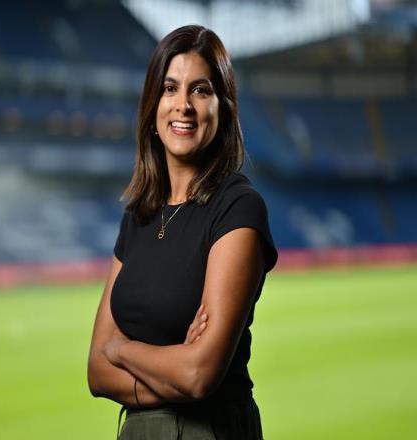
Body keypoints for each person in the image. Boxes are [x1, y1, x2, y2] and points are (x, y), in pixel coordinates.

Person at [87, 24, 278, 439]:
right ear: (152, 107)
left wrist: (122, 349)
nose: (183, 106)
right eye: (170, 88)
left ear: (222, 109)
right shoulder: (138, 214)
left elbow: (197, 375)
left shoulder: (238, 207)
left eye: (201, 90)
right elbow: (97, 372)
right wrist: (169, 367)